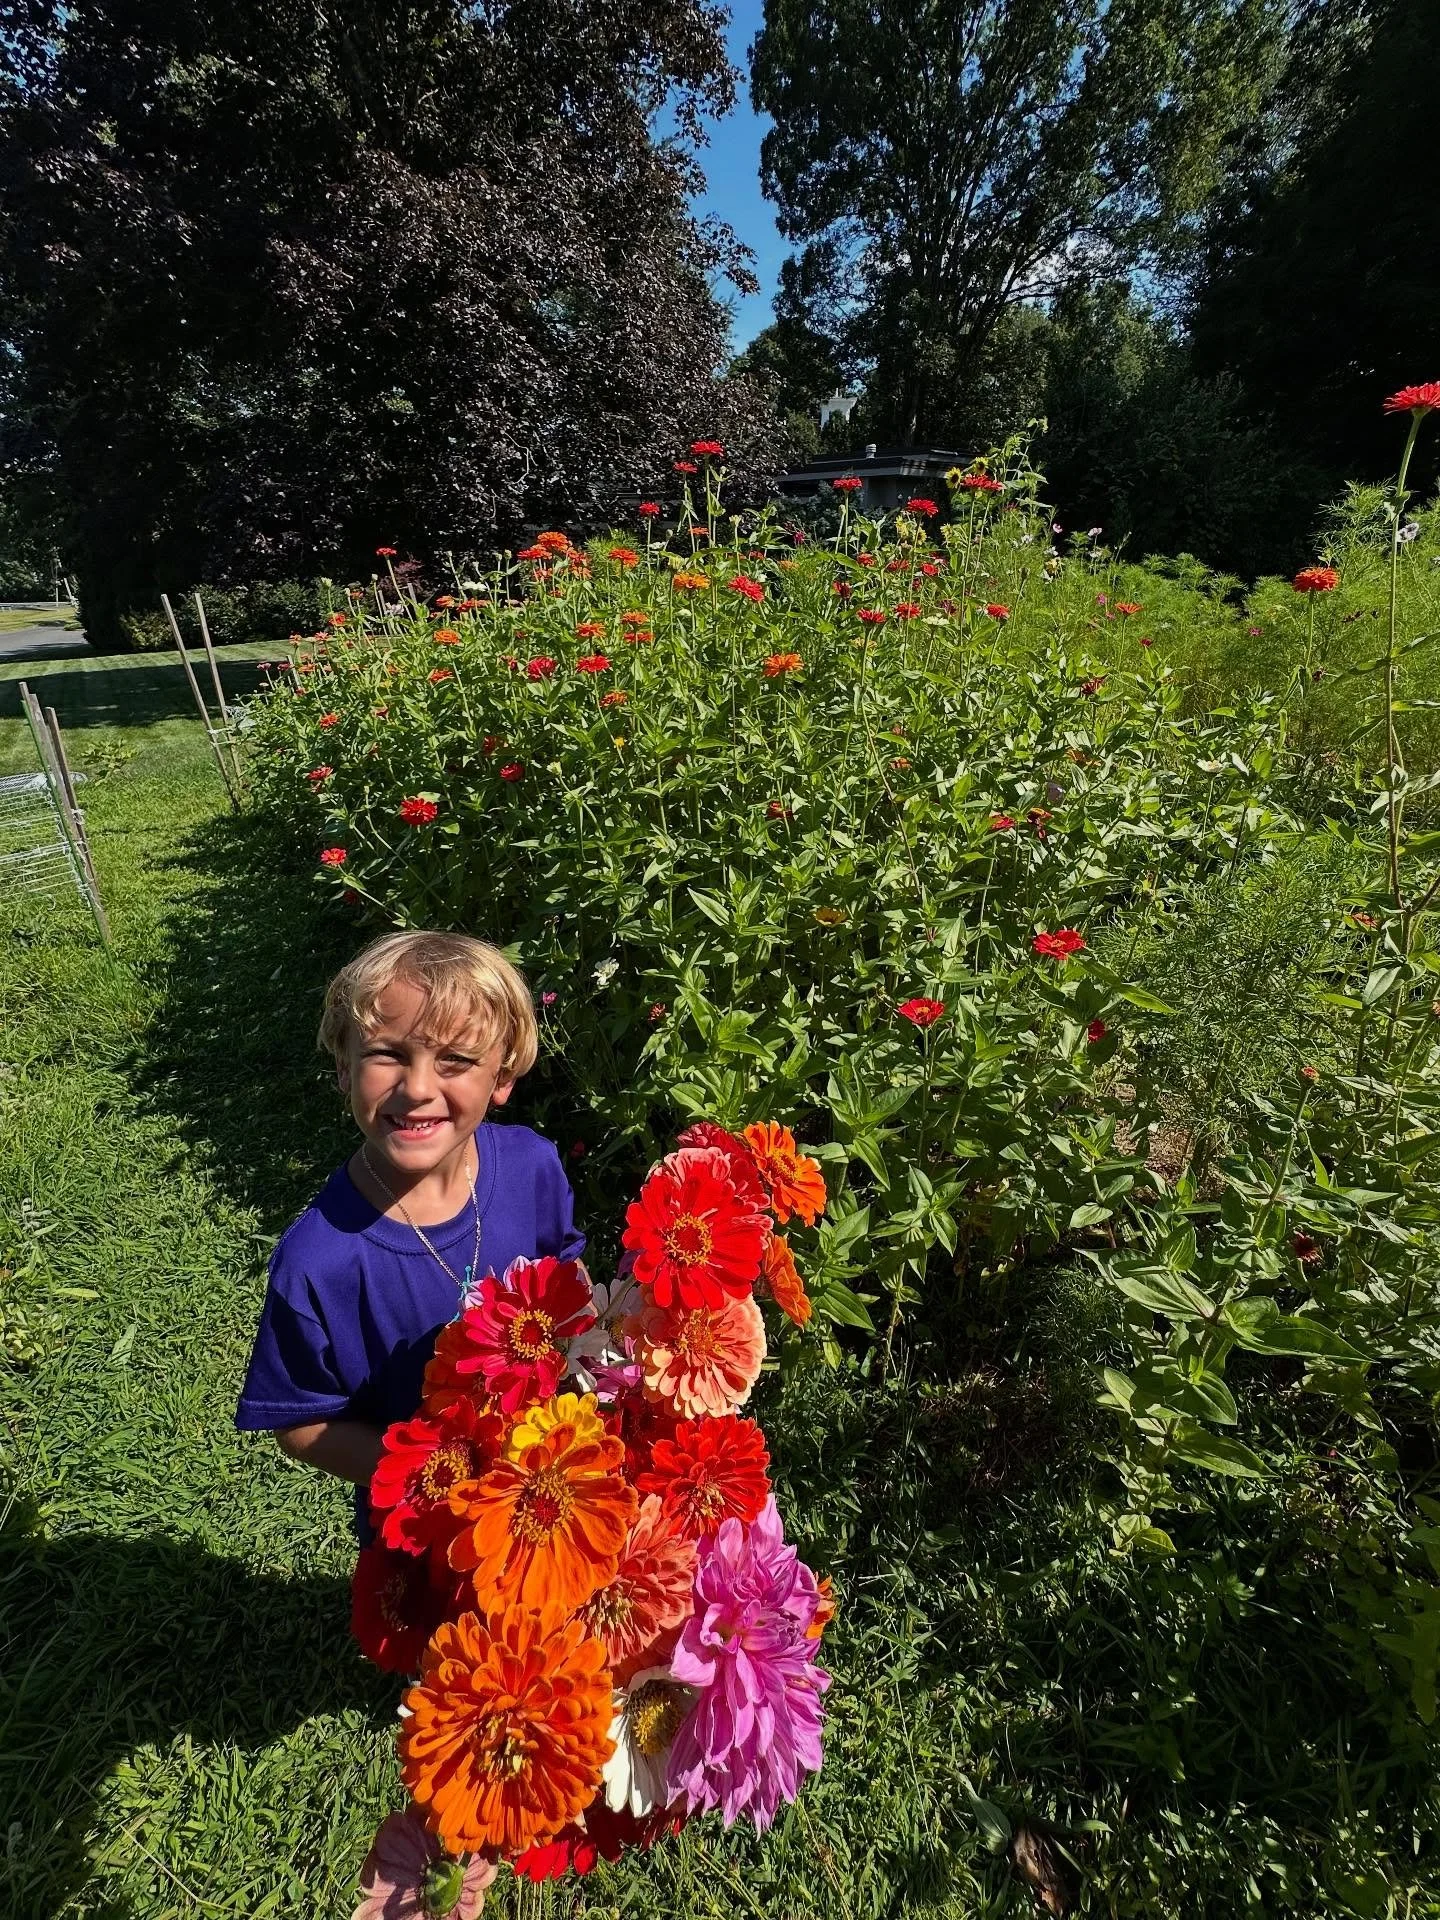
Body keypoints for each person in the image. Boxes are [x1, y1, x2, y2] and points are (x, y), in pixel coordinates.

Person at [235, 929, 582, 1534]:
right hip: (427, 1520)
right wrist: (437, 1478)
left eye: (456, 1060)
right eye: (388, 1054)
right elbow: (302, 1422)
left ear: (502, 1077)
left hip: (551, 1485)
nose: (418, 1087)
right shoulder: (320, 1261)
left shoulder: (533, 1167)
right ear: (344, 1068)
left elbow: (569, 1286)